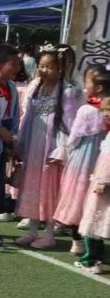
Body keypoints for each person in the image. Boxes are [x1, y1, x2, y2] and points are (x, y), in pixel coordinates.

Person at [12, 47, 81, 249]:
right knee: (32, 186)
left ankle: (50, 233)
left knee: (50, 190)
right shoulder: (36, 87)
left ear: (60, 69)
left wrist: (62, 150)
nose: (44, 70)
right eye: (41, 66)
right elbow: (27, 118)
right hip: (34, 145)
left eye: (49, 67)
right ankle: (33, 230)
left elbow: (70, 123)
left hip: (52, 149)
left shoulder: (66, 92)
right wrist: (21, 144)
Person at [55, 69, 110, 257]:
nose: (85, 86)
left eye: (88, 82)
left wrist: (67, 149)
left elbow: (75, 136)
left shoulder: (86, 110)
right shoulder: (105, 109)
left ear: (98, 87)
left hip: (83, 158)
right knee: (94, 201)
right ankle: (95, 241)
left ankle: (77, 242)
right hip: (102, 158)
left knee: (76, 198)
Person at [75, 94, 110, 272]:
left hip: (102, 186)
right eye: (104, 110)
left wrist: (103, 181)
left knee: (92, 221)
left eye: (108, 110)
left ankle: (91, 260)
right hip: (100, 181)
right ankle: (97, 257)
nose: (105, 114)